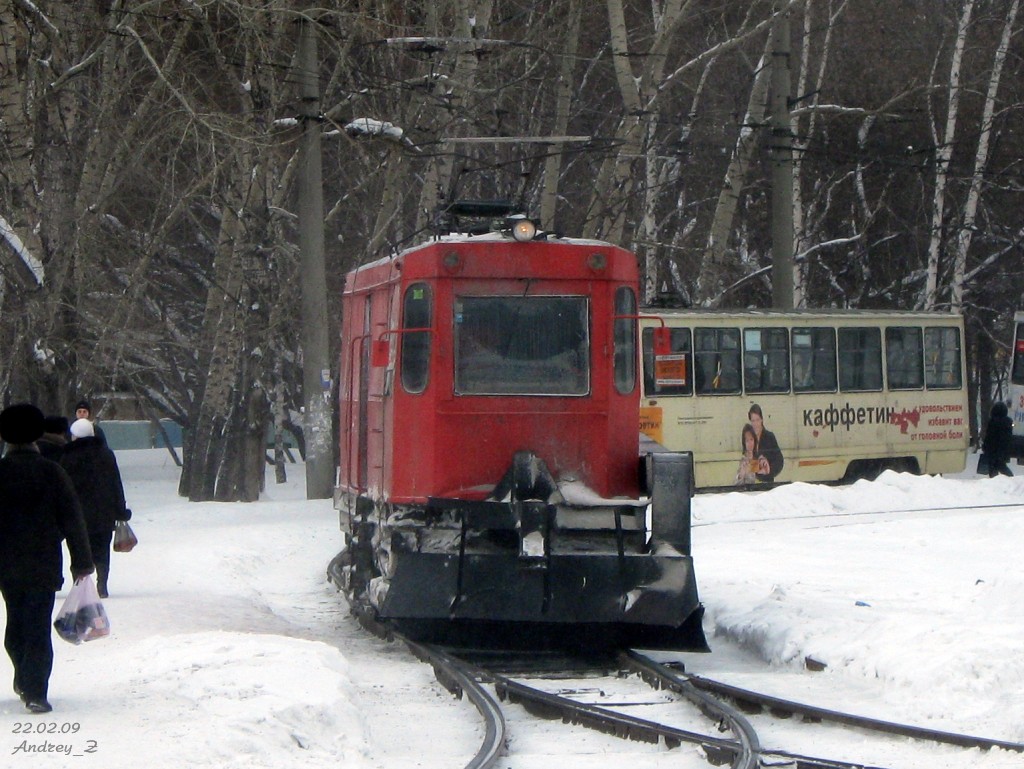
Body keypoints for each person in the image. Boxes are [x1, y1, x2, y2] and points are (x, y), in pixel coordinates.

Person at [0, 403, 95, 714]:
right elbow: (72, 518)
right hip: (43, 561)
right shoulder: (52, 472)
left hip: (7, 565)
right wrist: (82, 562)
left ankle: (24, 676)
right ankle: (36, 690)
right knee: (37, 625)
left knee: (16, 622)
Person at [60, 418, 130, 598]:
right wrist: (120, 510)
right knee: (102, 549)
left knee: (77, 548)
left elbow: (64, 488)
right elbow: (116, 483)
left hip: (77, 513)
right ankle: (102, 584)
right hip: (103, 512)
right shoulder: (106, 455)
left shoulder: (68, 457)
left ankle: (80, 584)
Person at [748, 403, 784, 482]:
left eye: (757, 420)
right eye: (753, 421)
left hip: (767, 484)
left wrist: (769, 470)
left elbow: (779, 461)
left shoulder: (769, 437)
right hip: (752, 485)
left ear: (762, 420)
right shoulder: (748, 439)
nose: (755, 424)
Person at [981, 401, 1013, 478]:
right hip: (1004, 449)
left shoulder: (992, 421)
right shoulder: (1009, 422)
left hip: (993, 449)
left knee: (993, 467)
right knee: (1002, 465)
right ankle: (1011, 478)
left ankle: (995, 481)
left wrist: (985, 446)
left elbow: (989, 436)